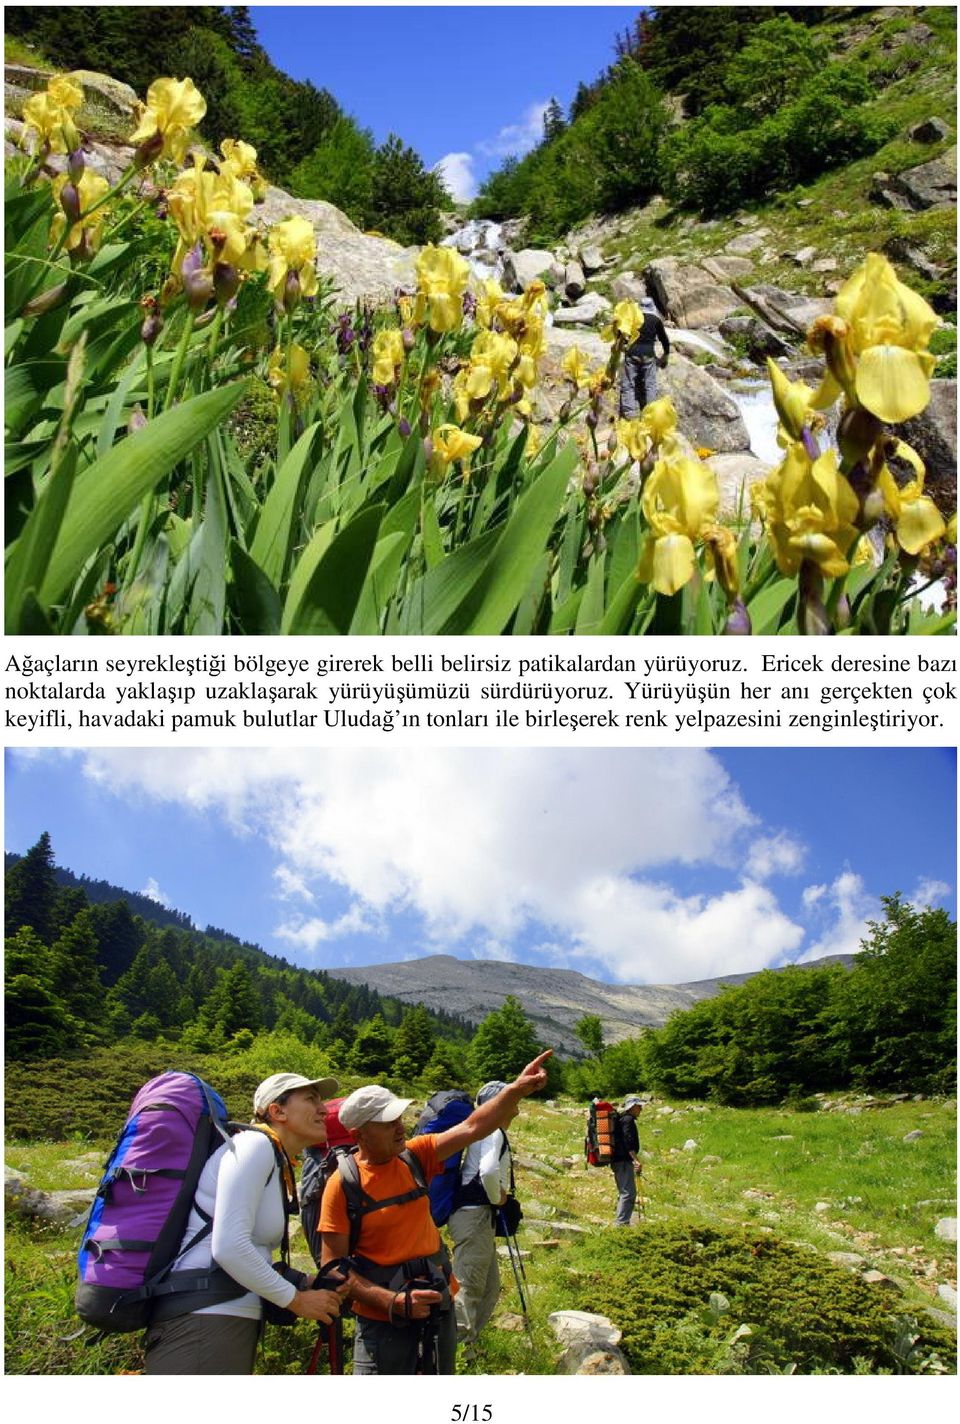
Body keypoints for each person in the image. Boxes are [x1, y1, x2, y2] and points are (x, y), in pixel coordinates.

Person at [318, 1050, 552, 1375]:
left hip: (437, 1307)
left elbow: (473, 1126)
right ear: (358, 1135)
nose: (400, 1128)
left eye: (399, 1118)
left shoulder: (415, 1155)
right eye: (387, 1123)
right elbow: (332, 1268)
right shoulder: (343, 1184)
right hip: (382, 1323)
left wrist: (515, 1089)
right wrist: (391, 1302)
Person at [143, 1072, 350, 1374]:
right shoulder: (255, 1146)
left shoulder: (270, 1155)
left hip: (219, 1317)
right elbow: (228, 1247)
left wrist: (302, 1282)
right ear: (277, 1111)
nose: (323, 1109)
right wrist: (297, 1301)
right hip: (205, 1319)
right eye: (310, 1099)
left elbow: (247, 1246)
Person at [447, 1080, 516, 1356]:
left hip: (476, 1215)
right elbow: (487, 1171)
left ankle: (469, 1344)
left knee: (489, 1286)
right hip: (474, 1215)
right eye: (512, 1103)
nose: (517, 1110)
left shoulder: (486, 1130)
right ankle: (457, 1353)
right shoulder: (492, 1131)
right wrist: (499, 1197)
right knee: (469, 1285)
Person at [618, 296, 670, 420]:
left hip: (632, 353)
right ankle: (650, 413)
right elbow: (665, 340)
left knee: (628, 384)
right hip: (648, 355)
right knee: (650, 384)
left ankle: (629, 414)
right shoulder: (656, 320)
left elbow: (620, 333)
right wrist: (665, 355)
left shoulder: (633, 318)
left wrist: (622, 346)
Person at [611, 1094, 644, 1227]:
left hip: (618, 1160)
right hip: (623, 1160)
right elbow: (628, 1141)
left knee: (625, 1191)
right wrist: (636, 1160)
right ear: (633, 1106)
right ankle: (621, 1225)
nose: (641, 1109)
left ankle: (621, 1222)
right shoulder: (628, 1120)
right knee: (628, 1193)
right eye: (639, 1106)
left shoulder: (622, 1119)